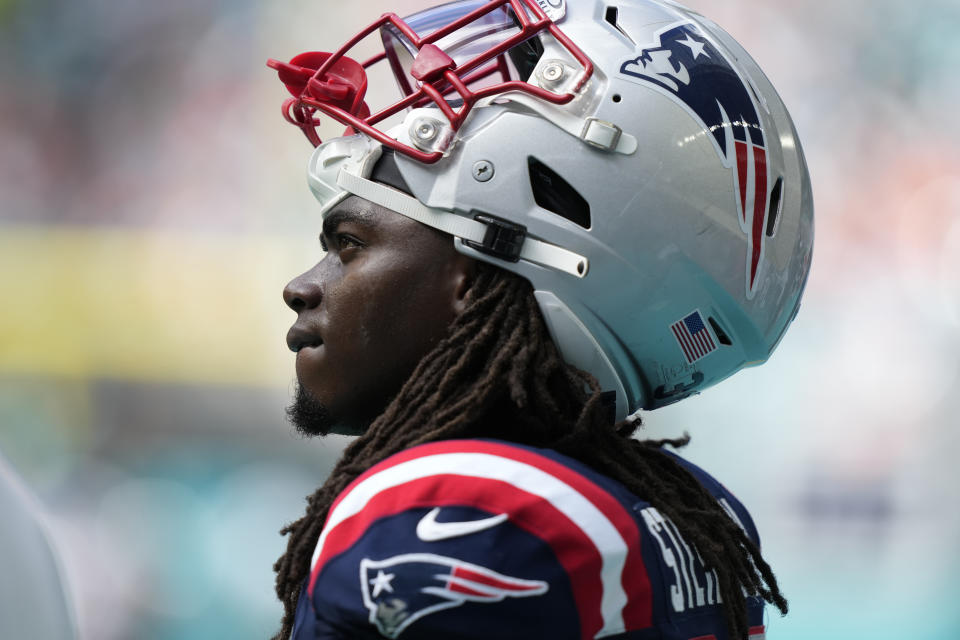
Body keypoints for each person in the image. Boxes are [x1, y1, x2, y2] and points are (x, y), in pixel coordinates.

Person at [267, 0, 813, 638]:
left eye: (349, 245)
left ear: (476, 282)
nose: (302, 286)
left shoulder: (451, 521)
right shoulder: (688, 511)